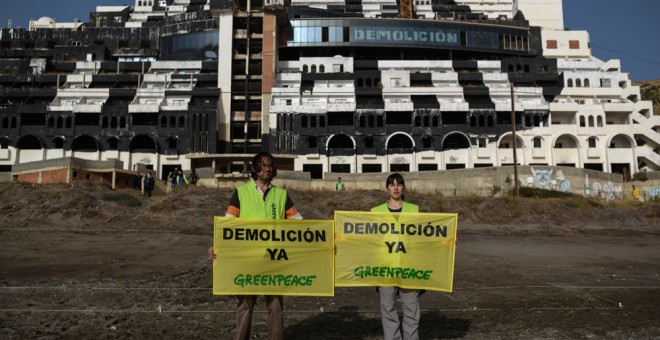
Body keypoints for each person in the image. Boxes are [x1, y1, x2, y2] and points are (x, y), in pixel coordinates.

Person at [208, 151, 302, 340]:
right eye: (263, 165)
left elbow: (300, 225)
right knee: (245, 304)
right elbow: (228, 225)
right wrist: (216, 247)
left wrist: (322, 240)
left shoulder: (282, 195)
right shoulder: (241, 193)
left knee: (275, 305)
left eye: (270, 165)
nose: (267, 168)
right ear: (254, 168)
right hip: (247, 261)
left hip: (273, 260)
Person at [371, 173, 421, 340]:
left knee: (412, 309)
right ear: (387, 188)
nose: (395, 187)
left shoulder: (414, 210)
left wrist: (447, 241)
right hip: (385, 267)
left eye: (399, 184)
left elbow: (426, 236)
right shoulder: (376, 212)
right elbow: (367, 239)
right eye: (392, 184)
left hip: (409, 267)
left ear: (403, 187)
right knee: (388, 308)